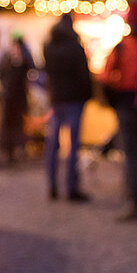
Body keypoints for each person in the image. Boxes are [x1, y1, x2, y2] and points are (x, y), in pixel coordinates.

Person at [100, 5, 137, 220]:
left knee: (131, 155)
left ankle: (135, 202)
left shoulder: (122, 47)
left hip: (127, 103)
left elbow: (105, 76)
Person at [42, 14, 93, 201]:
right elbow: (84, 76)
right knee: (73, 147)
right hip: (74, 101)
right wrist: (88, 95)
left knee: (53, 146)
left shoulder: (48, 47)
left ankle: (52, 185)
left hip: (55, 99)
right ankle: (71, 187)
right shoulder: (75, 48)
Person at [0, 34, 35, 163]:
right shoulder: (7, 57)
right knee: (10, 124)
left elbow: (32, 68)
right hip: (11, 96)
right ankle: (9, 150)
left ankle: (19, 149)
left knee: (19, 123)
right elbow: (0, 72)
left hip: (17, 96)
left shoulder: (23, 58)